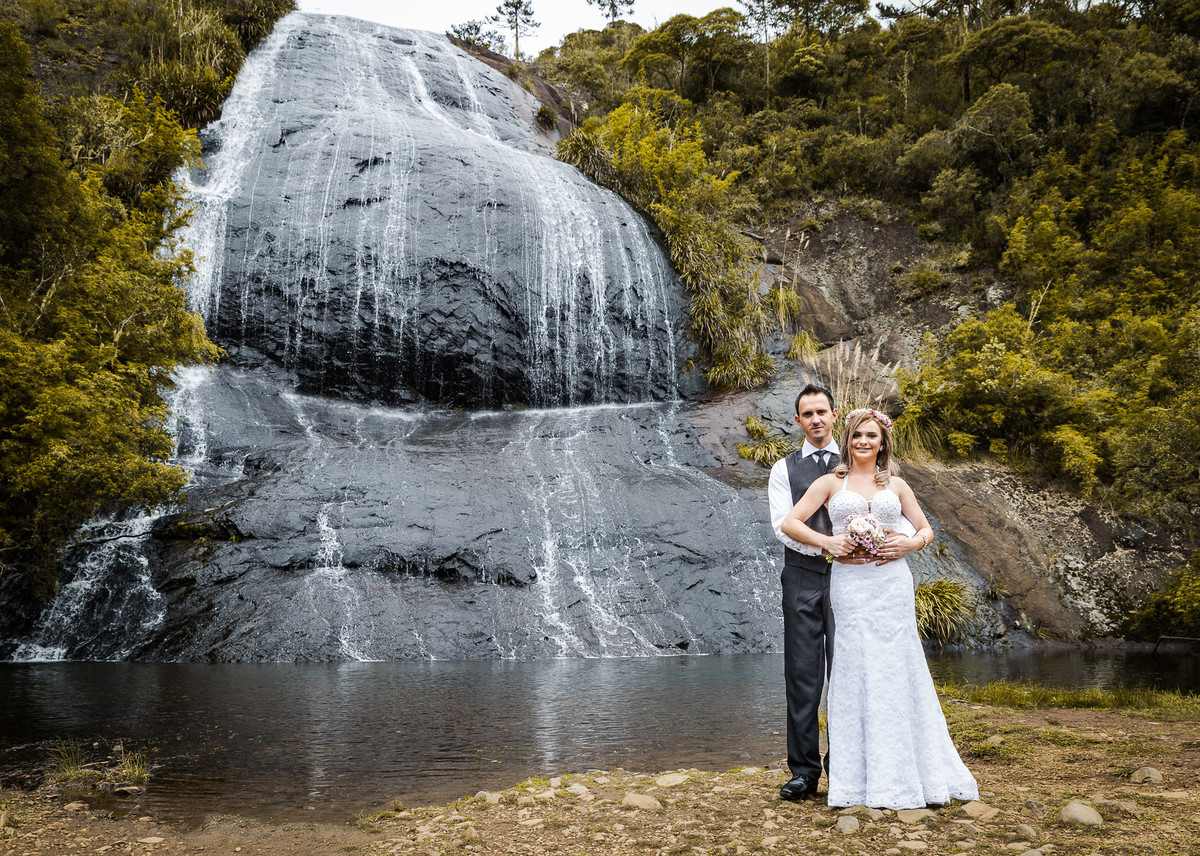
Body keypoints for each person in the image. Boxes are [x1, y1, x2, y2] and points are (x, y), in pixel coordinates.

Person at [781, 407, 978, 809]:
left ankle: (906, 774)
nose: (864, 442)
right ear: (848, 440)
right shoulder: (829, 483)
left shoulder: (899, 486)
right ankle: (855, 780)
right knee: (854, 669)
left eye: (872, 436)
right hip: (851, 587)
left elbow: (925, 530)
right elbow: (790, 523)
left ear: (883, 442)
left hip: (892, 586)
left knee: (897, 668)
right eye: (857, 436)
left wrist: (910, 543)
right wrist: (829, 543)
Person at [767, 383, 842, 801]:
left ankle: (846, 766)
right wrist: (826, 545)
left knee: (848, 673)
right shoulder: (783, 469)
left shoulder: (857, 463)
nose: (815, 419)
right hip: (801, 577)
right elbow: (782, 527)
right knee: (802, 676)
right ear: (798, 421)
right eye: (807, 414)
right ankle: (804, 771)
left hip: (852, 579)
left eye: (821, 412)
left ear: (835, 415)